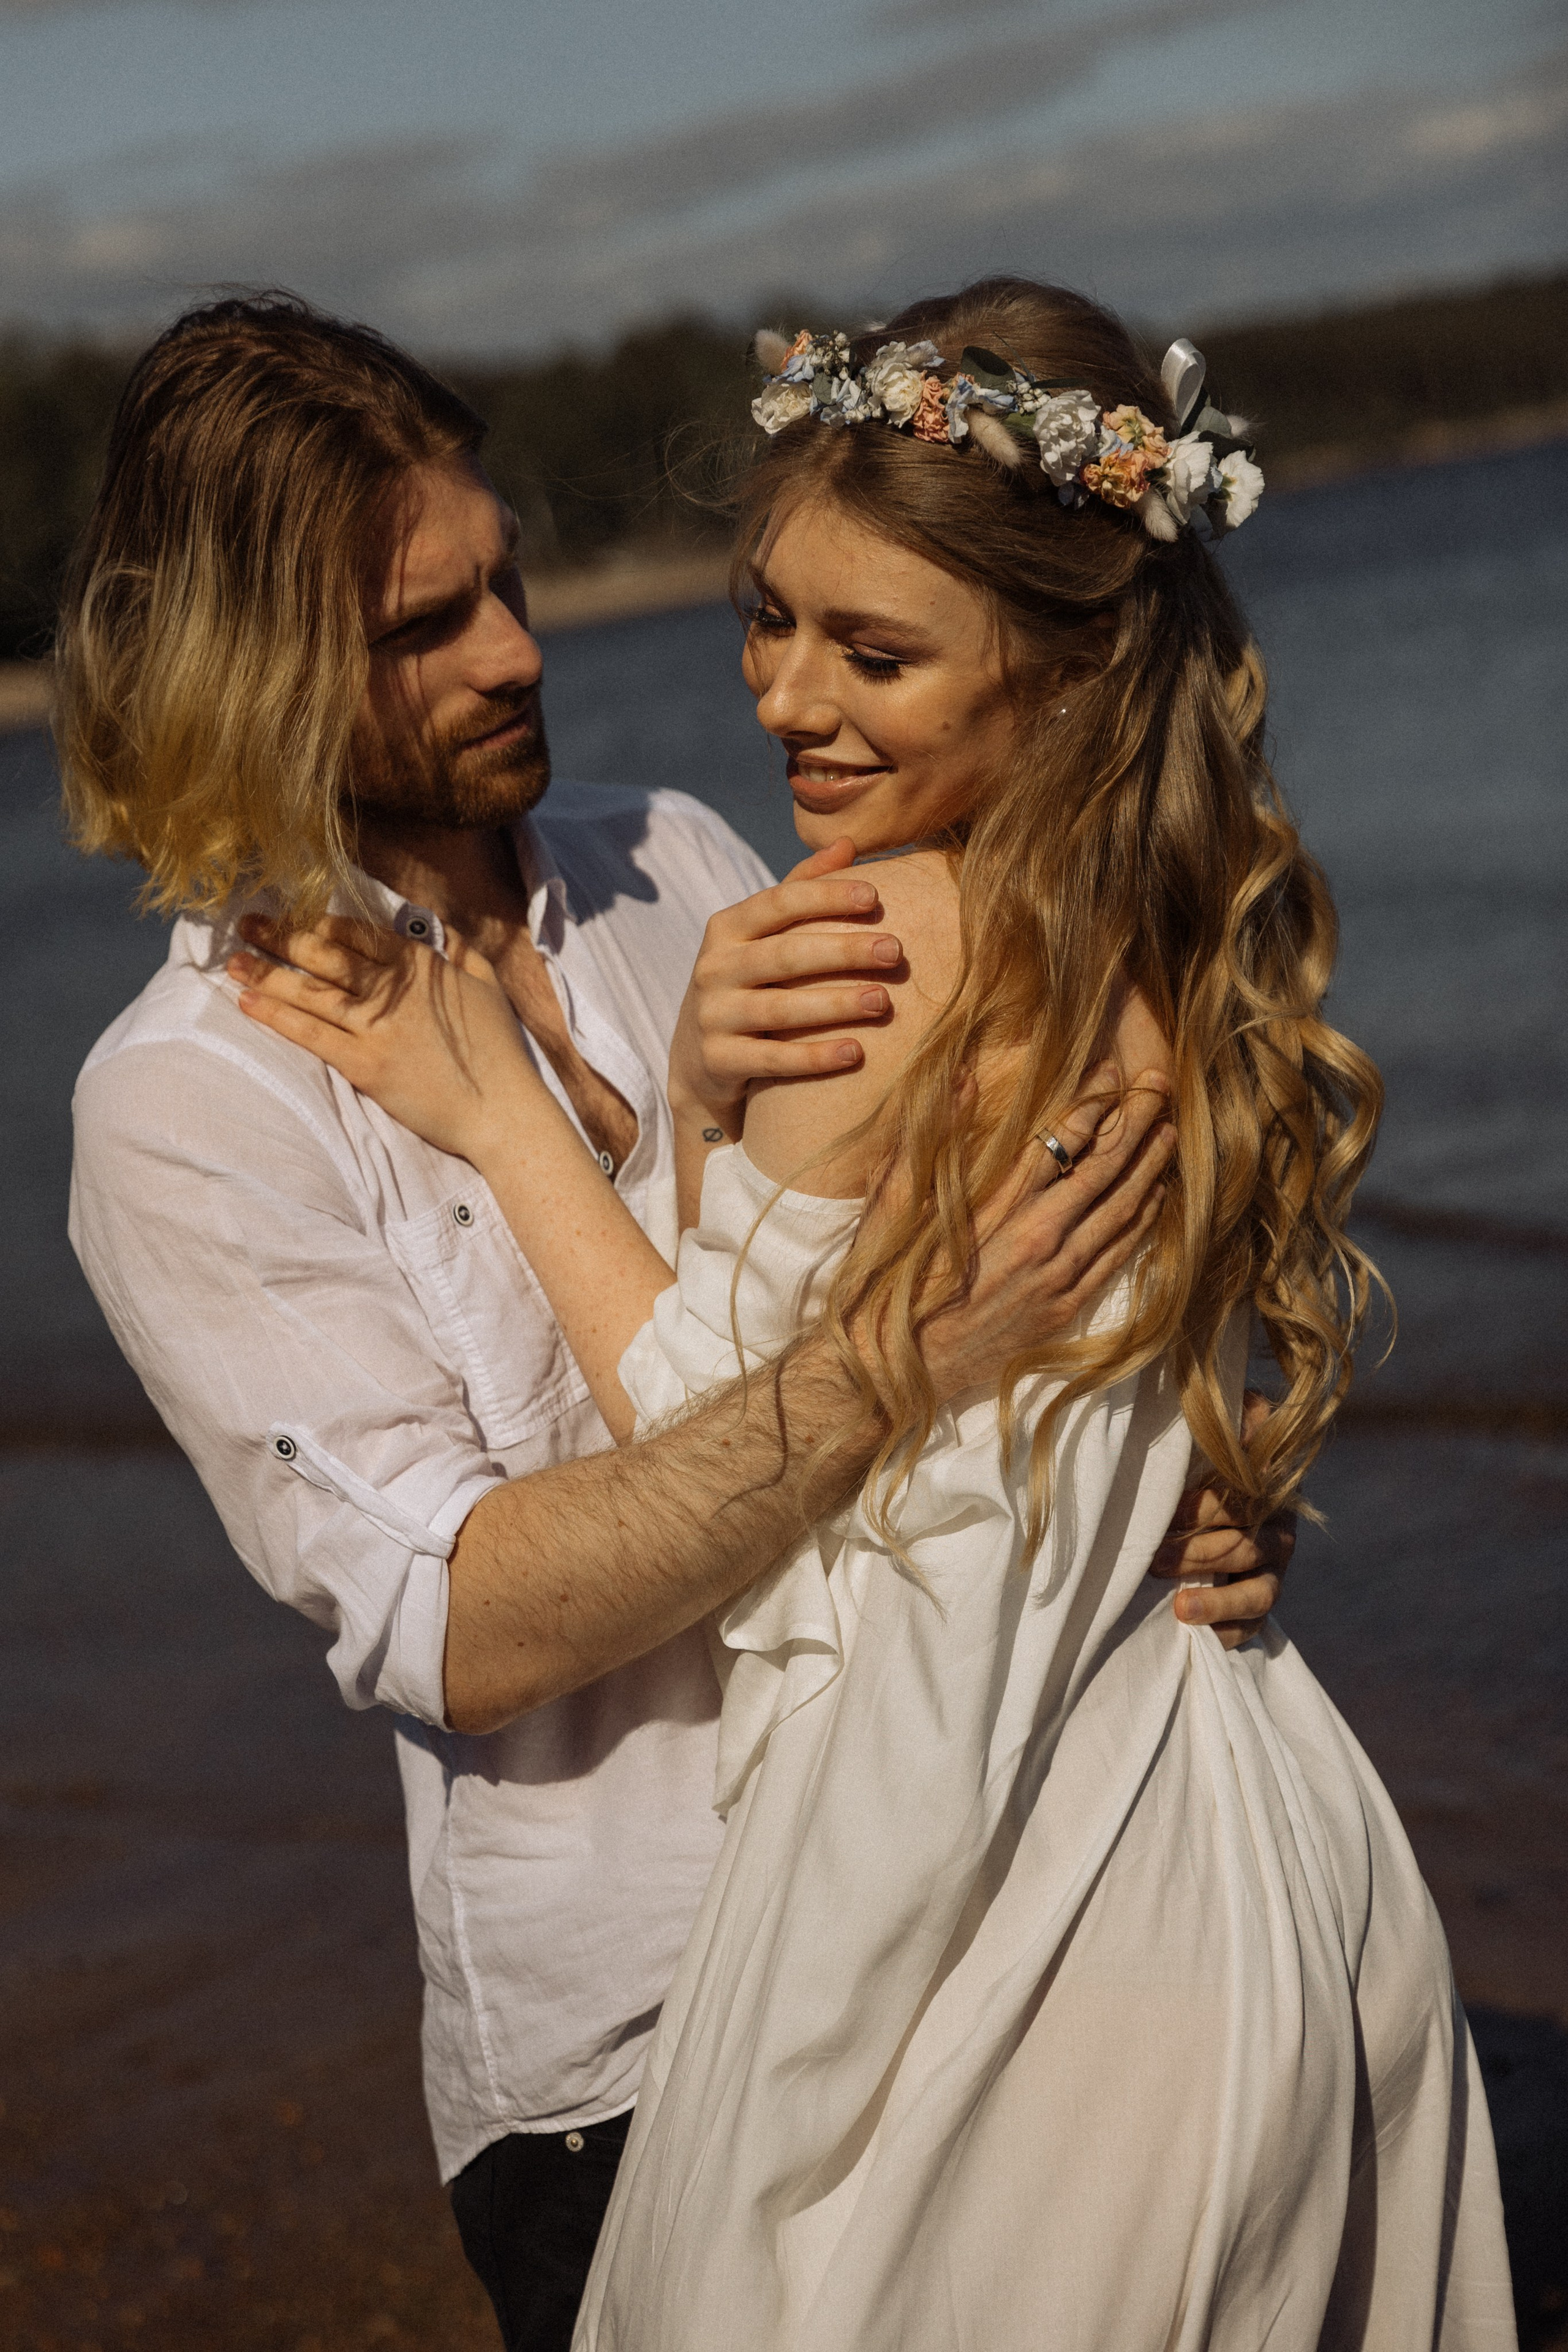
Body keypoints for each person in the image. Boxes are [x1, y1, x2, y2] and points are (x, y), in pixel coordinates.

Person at [231, 280, 1516, 2348]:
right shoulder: (1187, 948)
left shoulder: (870, 943)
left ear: (1071, 668)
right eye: (767, 616)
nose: (783, 700)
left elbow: (719, 1454)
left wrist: (509, 1115)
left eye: (875, 649)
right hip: (1262, 1850)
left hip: (967, 1896)